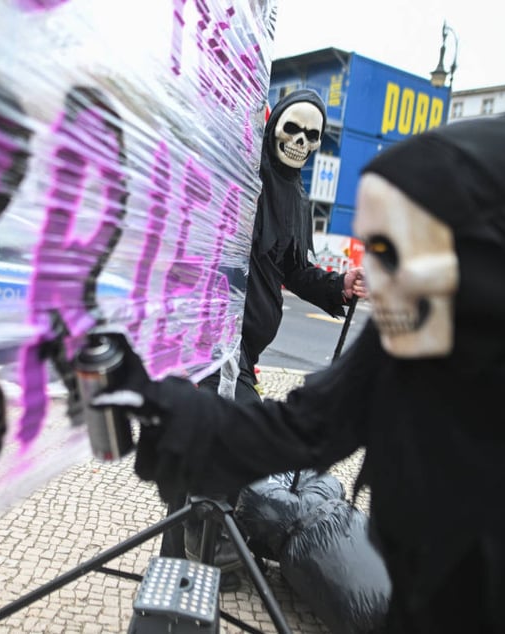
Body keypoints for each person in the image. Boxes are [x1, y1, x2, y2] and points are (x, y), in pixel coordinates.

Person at [93, 115, 505, 632]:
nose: (387, 268)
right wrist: (163, 405)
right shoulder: (418, 328)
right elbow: (300, 429)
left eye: (405, 241)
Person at [161, 90, 367, 588]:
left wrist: (337, 286)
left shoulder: (294, 195)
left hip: (245, 352)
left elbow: (293, 268)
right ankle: (198, 552)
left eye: (312, 136)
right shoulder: (242, 175)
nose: (300, 142)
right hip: (211, 338)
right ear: (272, 125)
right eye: (291, 129)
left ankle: (194, 551)